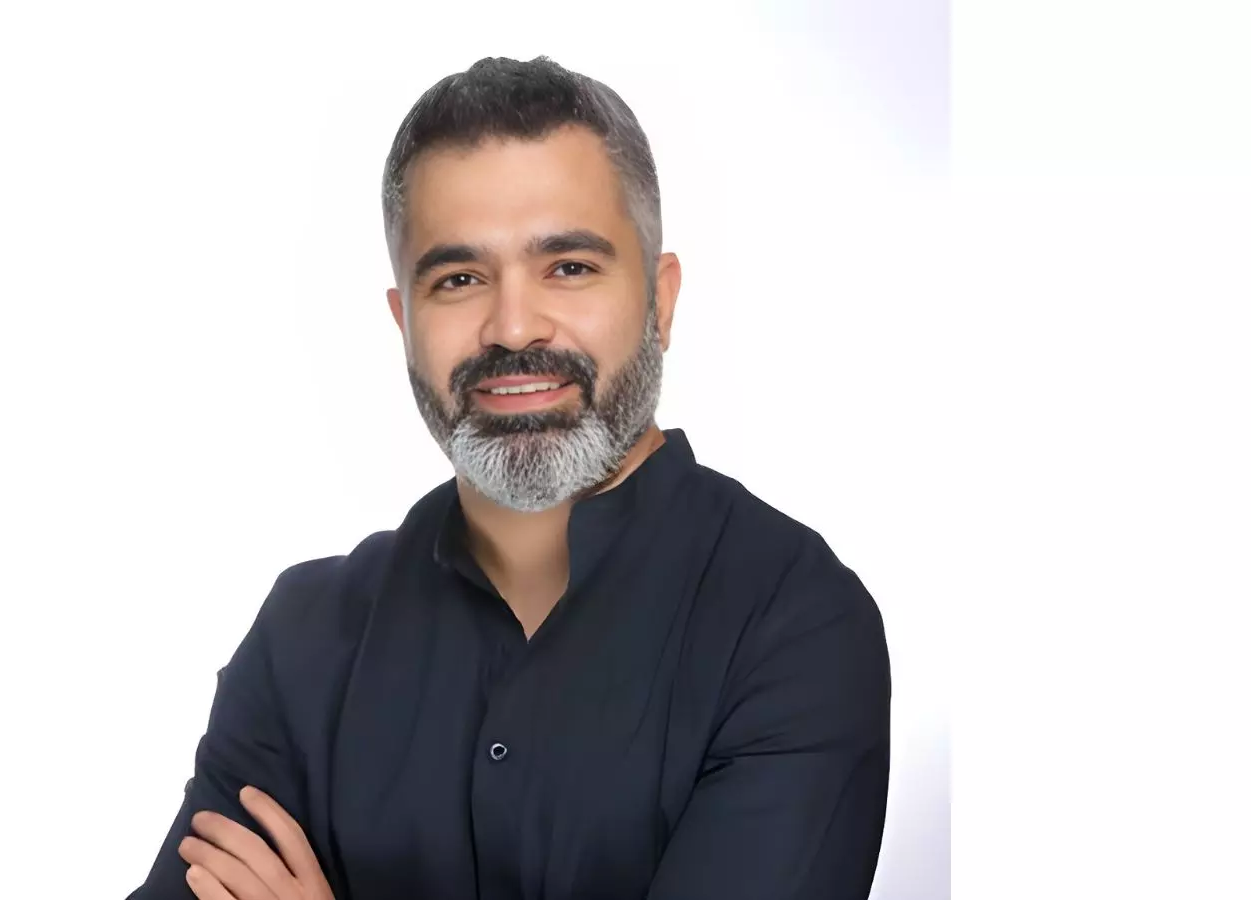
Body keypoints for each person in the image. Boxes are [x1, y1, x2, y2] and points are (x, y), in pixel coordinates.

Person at [128, 55, 890, 900]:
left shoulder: (790, 622)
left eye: (569, 267)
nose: (514, 326)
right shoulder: (305, 639)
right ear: (404, 322)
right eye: (459, 279)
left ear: (661, 300)